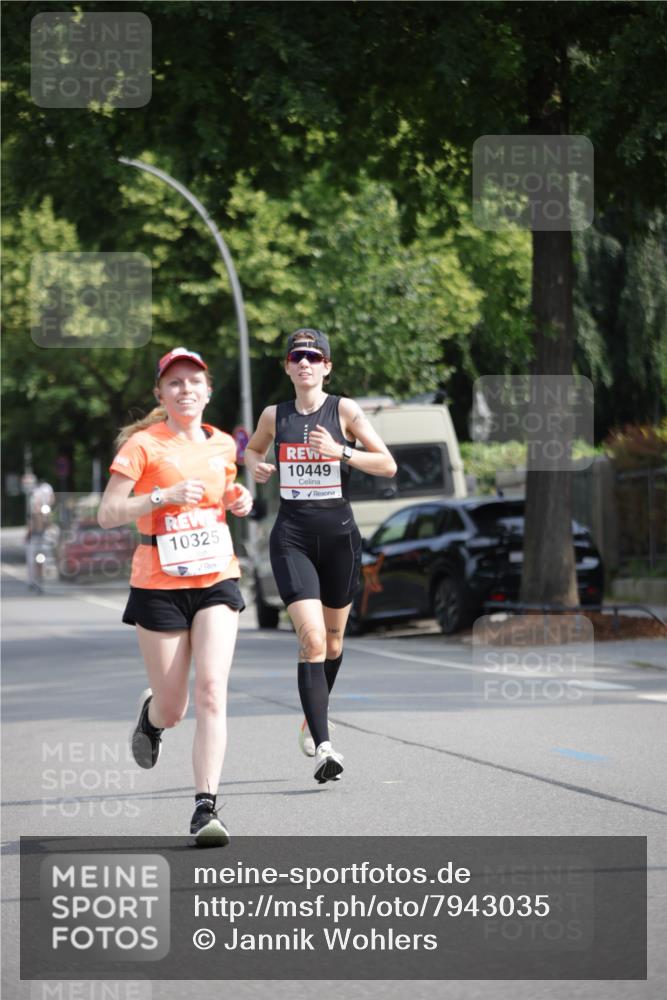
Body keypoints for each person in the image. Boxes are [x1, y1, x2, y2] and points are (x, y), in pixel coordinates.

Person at [97, 347, 253, 846]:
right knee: (174, 706)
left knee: (212, 689)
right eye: (175, 383)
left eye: (194, 381)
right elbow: (108, 513)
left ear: (209, 391)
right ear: (161, 394)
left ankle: (205, 807)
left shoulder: (224, 445)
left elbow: (224, 494)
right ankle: (151, 719)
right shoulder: (144, 445)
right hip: (158, 581)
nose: (186, 389)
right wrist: (162, 496)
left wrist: (238, 499)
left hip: (215, 576)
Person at [244, 329, 397, 783]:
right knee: (310, 641)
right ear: (288, 367)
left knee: (332, 645)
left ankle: (312, 717)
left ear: (326, 366)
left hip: (340, 542)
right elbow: (251, 450)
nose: (305, 363)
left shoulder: (344, 410)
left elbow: (386, 463)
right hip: (292, 538)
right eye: (297, 357)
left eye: (314, 356)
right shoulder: (276, 415)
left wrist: (342, 452)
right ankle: (325, 747)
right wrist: (257, 465)